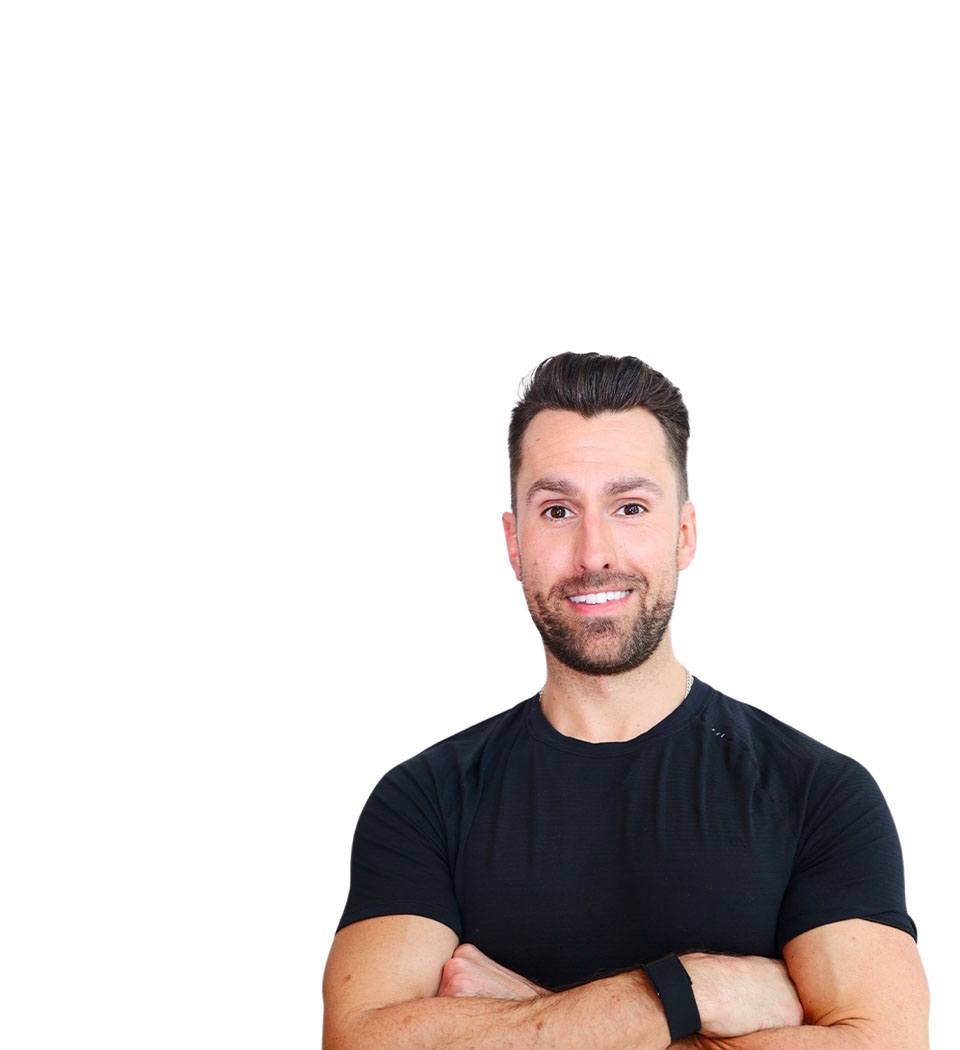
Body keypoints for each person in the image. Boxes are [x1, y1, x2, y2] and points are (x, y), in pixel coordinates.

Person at [322, 353, 929, 1050]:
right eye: (556, 510)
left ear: (684, 533)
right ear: (514, 543)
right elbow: (361, 1042)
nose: (593, 552)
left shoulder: (816, 793)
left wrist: (531, 1015)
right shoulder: (425, 802)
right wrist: (694, 990)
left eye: (630, 507)